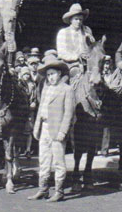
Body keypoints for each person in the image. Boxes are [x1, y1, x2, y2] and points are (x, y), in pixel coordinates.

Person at [28, 56, 75, 203]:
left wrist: (63, 132)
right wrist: (37, 128)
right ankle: (43, 189)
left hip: (57, 129)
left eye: (53, 74)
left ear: (59, 74)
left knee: (58, 162)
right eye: (48, 75)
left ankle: (59, 191)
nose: (50, 77)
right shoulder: (46, 89)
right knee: (43, 159)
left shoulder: (67, 90)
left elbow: (69, 113)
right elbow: (41, 109)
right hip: (45, 128)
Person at [56, 4, 95, 71]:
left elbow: (93, 49)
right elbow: (61, 53)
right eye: (76, 19)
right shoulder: (63, 33)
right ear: (70, 20)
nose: (78, 22)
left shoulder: (86, 30)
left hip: (87, 63)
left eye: (80, 19)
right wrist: (76, 56)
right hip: (69, 64)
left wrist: (90, 40)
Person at [19, 66, 37, 158]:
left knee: (29, 130)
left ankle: (28, 149)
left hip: (30, 110)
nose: (26, 76)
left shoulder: (32, 85)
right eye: (24, 74)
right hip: (20, 111)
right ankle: (19, 150)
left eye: (27, 74)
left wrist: (33, 102)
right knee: (19, 130)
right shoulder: (19, 85)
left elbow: (35, 97)